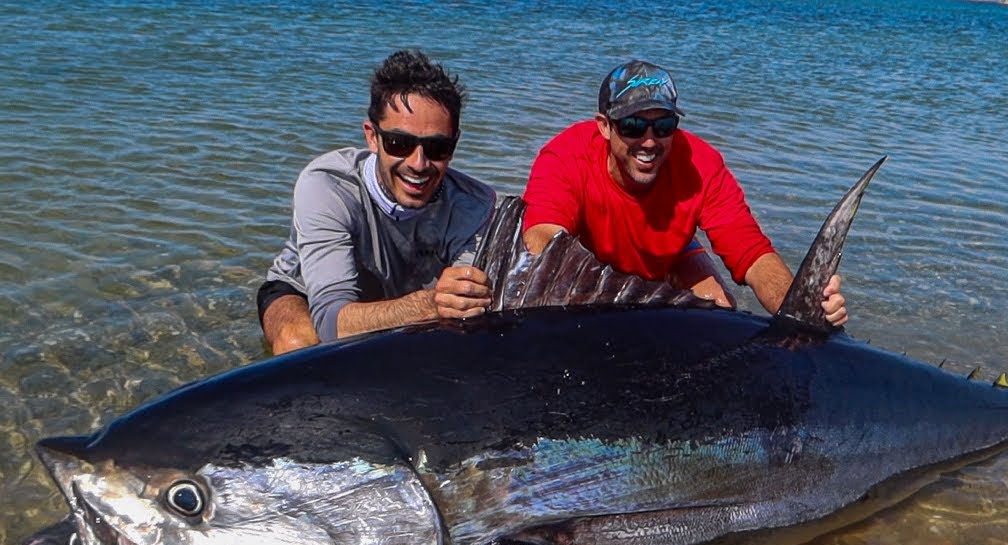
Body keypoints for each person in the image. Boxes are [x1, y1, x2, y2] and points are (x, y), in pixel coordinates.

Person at [520, 60, 848, 326]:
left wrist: (800, 310)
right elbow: (541, 237)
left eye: (663, 126)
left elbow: (751, 253)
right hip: (589, 269)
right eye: (633, 126)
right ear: (604, 126)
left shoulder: (700, 162)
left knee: (719, 311)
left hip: (669, 249)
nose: (649, 142)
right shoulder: (565, 155)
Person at [257, 49, 495, 355]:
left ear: (455, 144)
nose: (418, 164)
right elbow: (331, 325)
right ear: (372, 137)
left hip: (411, 300)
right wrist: (429, 304)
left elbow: (461, 311)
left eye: (437, 147)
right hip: (307, 296)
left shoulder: (476, 206)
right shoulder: (328, 185)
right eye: (400, 144)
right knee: (299, 343)